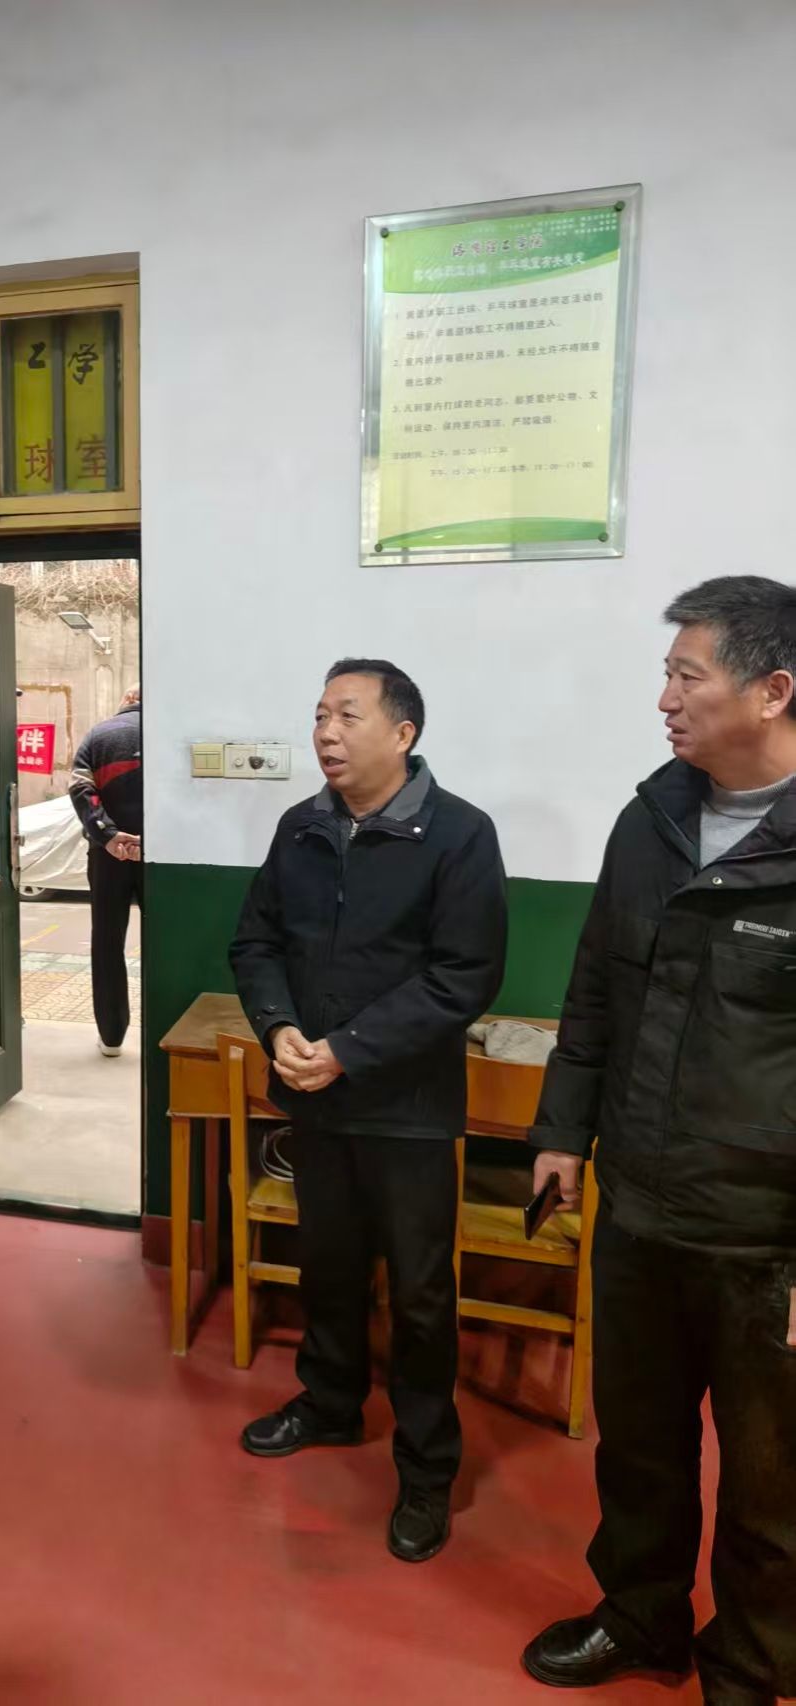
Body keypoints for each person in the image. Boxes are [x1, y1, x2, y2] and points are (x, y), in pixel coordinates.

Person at [522, 577, 796, 1706]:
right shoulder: (653, 821)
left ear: (773, 690)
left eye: (688, 676)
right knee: (638, 1443)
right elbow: (595, 985)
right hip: (638, 1205)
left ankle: (751, 1665)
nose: (665, 700)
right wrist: (561, 1130)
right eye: (667, 674)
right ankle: (641, 1617)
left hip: (763, 1237)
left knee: (773, 1481)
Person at [229, 659, 507, 1564]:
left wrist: (349, 1047)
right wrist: (278, 1028)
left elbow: (464, 976)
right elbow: (256, 941)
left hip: (408, 1110)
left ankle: (425, 1470)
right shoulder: (301, 827)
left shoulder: (460, 835)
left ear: (403, 733)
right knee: (329, 1266)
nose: (326, 733)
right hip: (314, 1098)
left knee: (421, 1296)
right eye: (319, 715)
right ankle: (330, 1403)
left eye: (348, 716)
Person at [69, 684, 141, 1057]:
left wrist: (109, 836)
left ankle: (112, 1037)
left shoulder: (98, 735)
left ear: (127, 699)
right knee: (162, 944)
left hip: (107, 857)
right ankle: (163, 1029)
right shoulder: (165, 733)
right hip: (157, 856)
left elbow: (80, 789)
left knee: (108, 942)